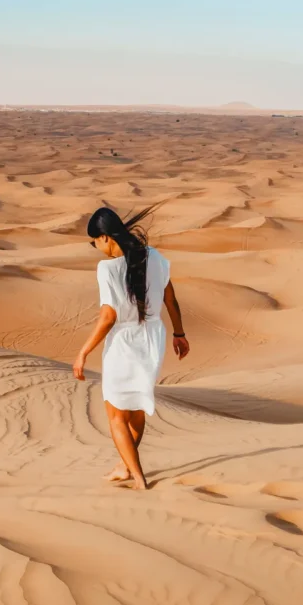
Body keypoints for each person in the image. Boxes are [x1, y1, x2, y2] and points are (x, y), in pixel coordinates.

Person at [72, 205, 189, 490]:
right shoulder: (156, 258)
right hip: (153, 337)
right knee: (135, 408)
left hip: (124, 340)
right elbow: (170, 300)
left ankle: (138, 478)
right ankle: (125, 467)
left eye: (94, 242)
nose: (96, 248)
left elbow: (109, 316)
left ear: (105, 238)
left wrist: (83, 351)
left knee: (115, 416)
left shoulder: (107, 268)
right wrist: (179, 333)